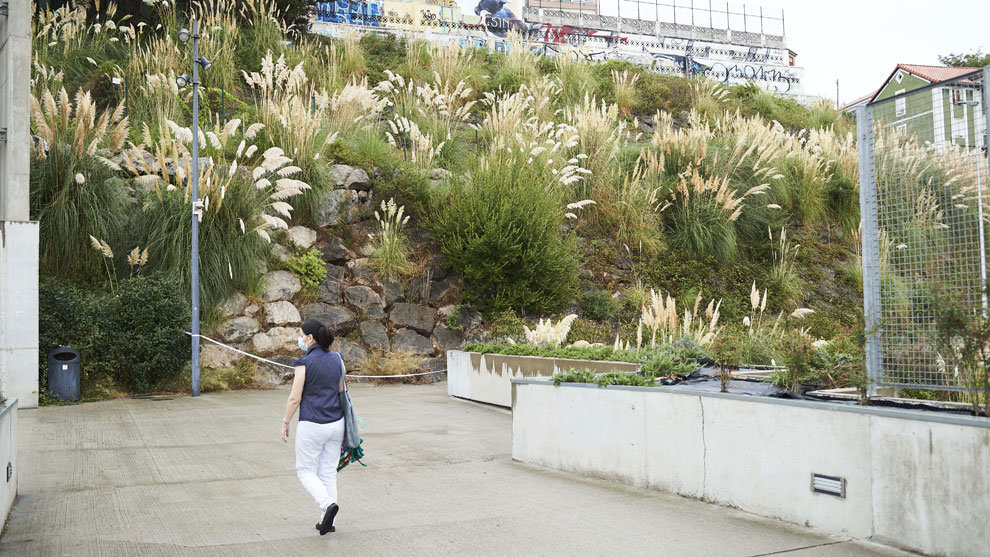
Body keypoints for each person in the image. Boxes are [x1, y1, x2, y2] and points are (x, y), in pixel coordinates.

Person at [281, 319, 346, 535]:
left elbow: (294, 398)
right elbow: (342, 392)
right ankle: (327, 521)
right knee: (328, 472)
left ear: (310, 338)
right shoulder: (338, 359)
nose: (299, 338)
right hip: (336, 423)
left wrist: (285, 422)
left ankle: (327, 504)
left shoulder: (304, 363)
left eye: (300, 334)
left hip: (312, 423)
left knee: (304, 470)